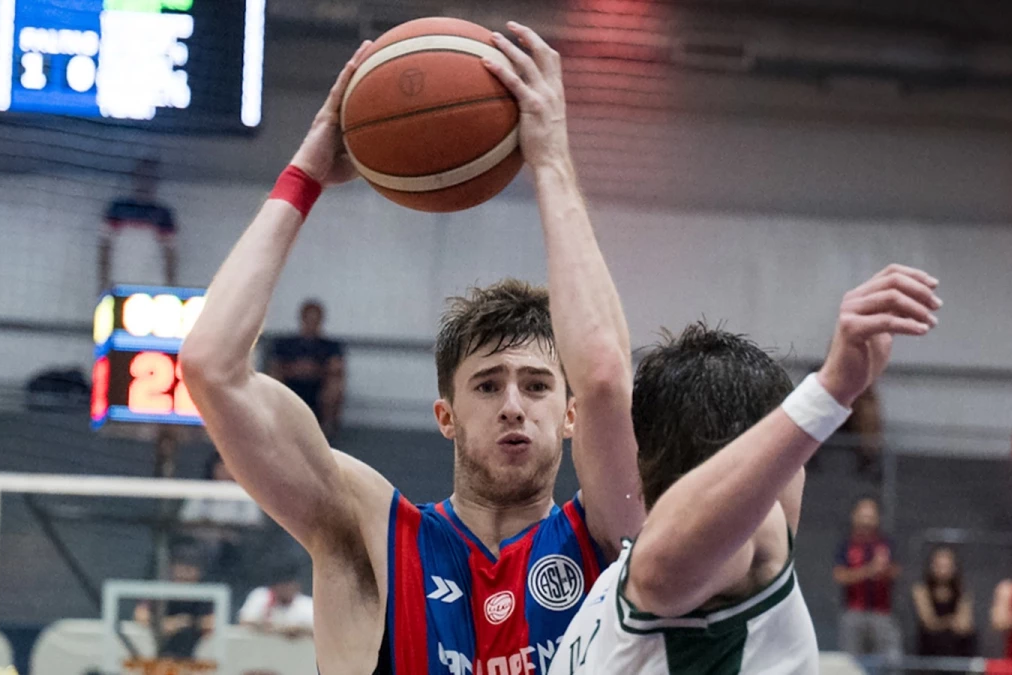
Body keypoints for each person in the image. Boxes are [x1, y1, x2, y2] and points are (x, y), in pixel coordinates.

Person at [180, 22, 645, 675]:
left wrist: (551, 159)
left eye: (537, 384)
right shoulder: (370, 535)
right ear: (445, 414)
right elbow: (210, 367)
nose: (514, 404)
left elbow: (602, 371)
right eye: (487, 384)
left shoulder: (612, 539)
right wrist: (306, 170)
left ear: (571, 414)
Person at [551, 264, 942, 674]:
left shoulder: (603, 598)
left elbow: (602, 375)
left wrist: (558, 195)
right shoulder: (705, 565)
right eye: (789, 455)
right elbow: (602, 377)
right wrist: (830, 391)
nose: (797, 468)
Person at [833, 496, 903, 660]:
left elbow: (897, 571)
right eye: (863, 515)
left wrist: (883, 569)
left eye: (870, 516)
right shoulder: (846, 545)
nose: (866, 521)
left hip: (882, 612)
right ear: (854, 516)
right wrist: (869, 570)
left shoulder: (886, 544)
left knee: (891, 661)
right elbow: (840, 576)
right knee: (850, 662)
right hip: (854, 612)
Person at [178, 453, 265, 582]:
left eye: (228, 466)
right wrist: (211, 528)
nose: (225, 471)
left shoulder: (245, 492)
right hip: (203, 544)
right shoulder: (201, 491)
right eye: (221, 467)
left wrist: (227, 531)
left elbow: (252, 523)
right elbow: (186, 521)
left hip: (236, 546)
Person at [268, 299, 346, 439]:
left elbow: (336, 368)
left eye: (315, 319)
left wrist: (314, 370)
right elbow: (275, 366)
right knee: (273, 379)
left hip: (318, 386)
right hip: (290, 384)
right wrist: (295, 369)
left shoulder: (331, 345)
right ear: (302, 318)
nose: (312, 323)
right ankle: (274, 426)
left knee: (335, 384)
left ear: (321, 320)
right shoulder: (284, 343)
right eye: (309, 319)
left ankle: (326, 431)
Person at [99, 157, 178, 291]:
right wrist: (103, 282)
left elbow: (170, 254)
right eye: (141, 176)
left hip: (152, 284)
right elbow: (105, 247)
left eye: (149, 178)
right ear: (134, 178)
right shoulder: (117, 209)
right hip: (120, 281)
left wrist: (170, 288)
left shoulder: (163, 214)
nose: (145, 182)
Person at [134, 555, 215, 658]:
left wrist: (187, 623)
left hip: (192, 655)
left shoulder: (204, 592)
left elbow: (211, 622)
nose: (184, 577)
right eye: (180, 575)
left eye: (189, 576)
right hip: (160, 651)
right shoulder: (157, 588)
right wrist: (162, 624)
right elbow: (140, 614)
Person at [912, 545, 977, 657]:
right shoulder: (921, 590)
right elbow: (929, 622)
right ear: (931, 566)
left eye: (946, 566)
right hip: (930, 651)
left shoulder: (963, 592)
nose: (943, 570)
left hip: (957, 651)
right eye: (939, 566)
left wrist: (942, 622)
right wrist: (951, 621)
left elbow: (964, 626)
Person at [238, 564, 315, 639]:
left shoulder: (306, 604)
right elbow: (244, 620)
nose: (286, 589)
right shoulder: (262, 596)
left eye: (289, 585)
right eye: (282, 585)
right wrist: (277, 628)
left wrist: (298, 630)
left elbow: (316, 629)